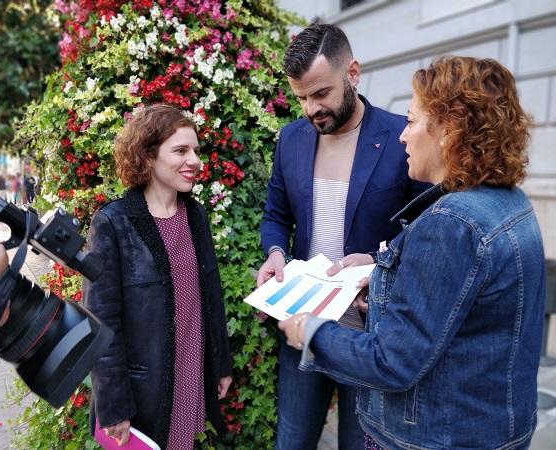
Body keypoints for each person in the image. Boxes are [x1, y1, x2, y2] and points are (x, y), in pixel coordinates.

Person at [279, 56, 545, 449]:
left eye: (411, 120)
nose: (402, 136)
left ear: (448, 130)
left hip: (435, 436)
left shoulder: (453, 223)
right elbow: (462, 308)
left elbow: (393, 361)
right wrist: (382, 274)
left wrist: (309, 331)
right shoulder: (507, 202)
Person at [257, 23, 428, 450]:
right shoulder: (291, 138)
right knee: (292, 441)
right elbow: (275, 215)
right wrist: (275, 252)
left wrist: (378, 262)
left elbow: (427, 228)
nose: (310, 109)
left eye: (320, 94)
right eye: (300, 98)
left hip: (370, 334)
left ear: (352, 73)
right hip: (301, 324)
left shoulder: (401, 136)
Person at [84, 104, 232, 450]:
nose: (194, 160)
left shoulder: (194, 215)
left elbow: (211, 298)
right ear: (147, 157)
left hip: (190, 368)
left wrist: (220, 365)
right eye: (180, 150)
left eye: (195, 150)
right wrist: (114, 404)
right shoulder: (113, 224)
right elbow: (100, 323)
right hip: (144, 387)